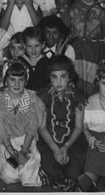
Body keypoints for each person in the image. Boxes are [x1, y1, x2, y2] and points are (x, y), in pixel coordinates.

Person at [0, 63, 45, 186]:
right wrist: (12, 151)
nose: (17, 84)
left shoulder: (33, 100)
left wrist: (24, 150)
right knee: (9, 177)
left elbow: (32, 126)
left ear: (26, 81)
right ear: (6, 81)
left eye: (21, 80)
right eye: (12, 80)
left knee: (29, 177)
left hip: (26, 140)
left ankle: (33, 168)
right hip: (6, 141)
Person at [37, 56, 87, 191]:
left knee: (75, 168)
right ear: (49, 77)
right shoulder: (43, 96)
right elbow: (41, 127)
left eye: (63, 76)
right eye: (54, 77)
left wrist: (65, 147)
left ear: (69, 76)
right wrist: (54, 149)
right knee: (51, 167)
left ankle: (67, 181)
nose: (58, 82)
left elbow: (78, 127)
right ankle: (52, 177)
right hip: (49, 137)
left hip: (72, 138)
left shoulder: (78, 96)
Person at [61, 0, 105, 95]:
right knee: (75, 83)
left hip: (95, 52)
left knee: (93, 84)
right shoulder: (71, 11)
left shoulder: (102, 13)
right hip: (75, 53)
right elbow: (64, 34)